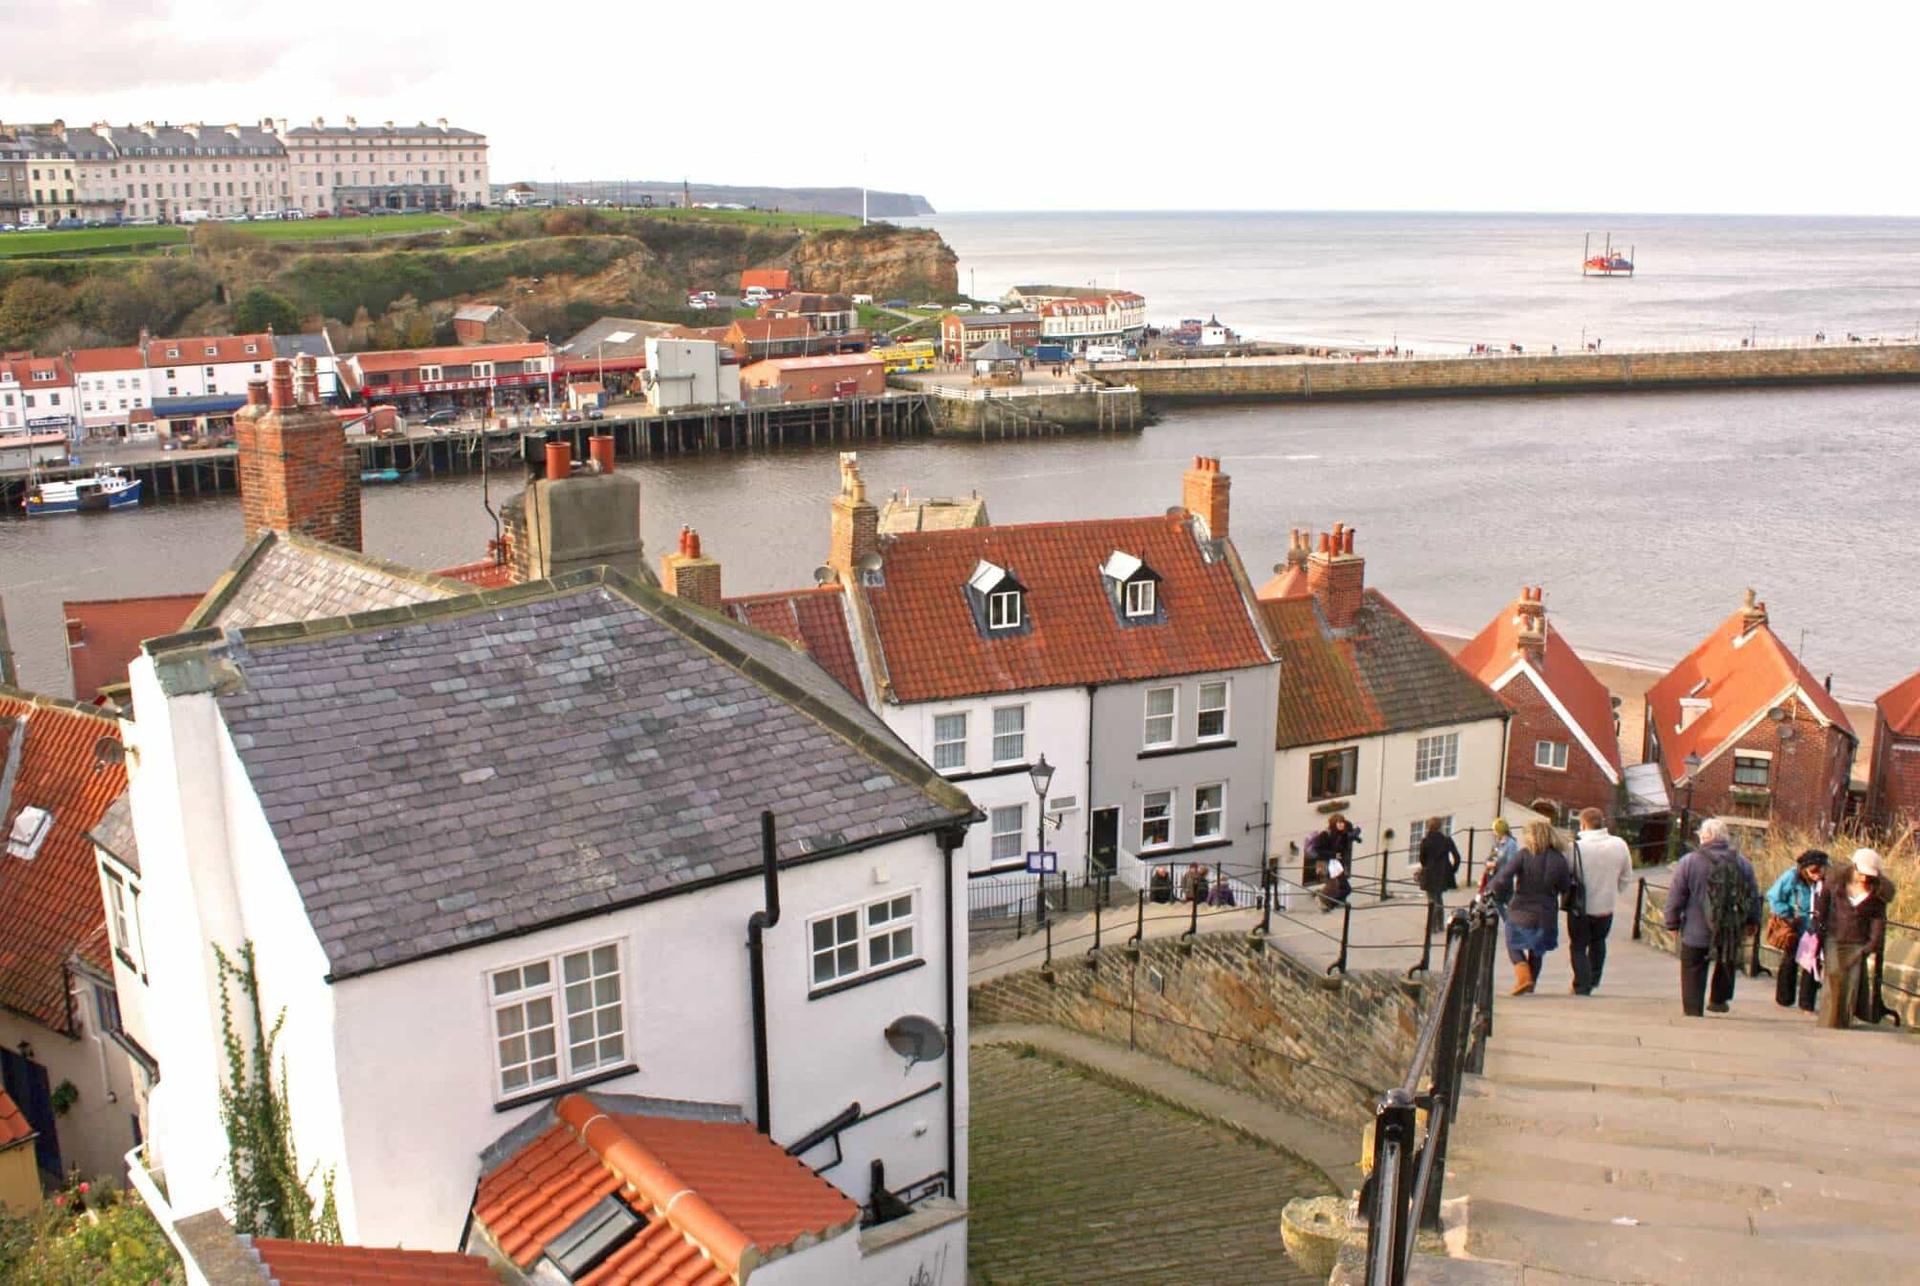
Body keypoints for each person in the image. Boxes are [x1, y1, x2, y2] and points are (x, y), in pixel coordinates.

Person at [1662, 818, 1762, 1017]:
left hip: (1696, 928)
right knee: (1726, 960)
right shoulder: (1742, 863)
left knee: (1693, 967)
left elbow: (1676, 895)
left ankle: (1693, 1008)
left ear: (1703, 837)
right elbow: (1752, 895)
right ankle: (1718, 1000)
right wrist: (1753, 921)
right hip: (1729, 928)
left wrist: (1671, 922)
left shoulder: (1689, 861)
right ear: (1725, 838)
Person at [1489, 819, 1572, 994]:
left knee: (1513, 943)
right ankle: (1530, 983)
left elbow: (1504, 877)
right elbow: (1565, 886)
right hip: (1546, 911)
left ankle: (1523, 976)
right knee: (1537, 950)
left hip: (1521, 908)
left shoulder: (1524, 855)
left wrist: (1489, 891)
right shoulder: (1559, 859)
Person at [1816, 849, 1887, 1030]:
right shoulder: (1836, 883)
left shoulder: (1878, 895)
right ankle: (1829, 1021)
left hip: (1858, 941)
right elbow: (1822, 904)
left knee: (1851, 983)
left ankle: (1844, 1020)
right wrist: (1819, 926)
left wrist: (1871, 944)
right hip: (1834, 936)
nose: (1865, 878)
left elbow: (1878, 921)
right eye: (1863, 873)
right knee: (1833, 976)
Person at [1568, 807, 1634, 994]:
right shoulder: (1619, 844)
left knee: (1578, 945)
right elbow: (1627, 874)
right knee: (1598, 942)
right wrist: (1614, 890)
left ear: (1583, 824)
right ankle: (1594, 978)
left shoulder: (1576, 847)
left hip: (1580, 905)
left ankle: (1582, 983)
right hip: (1606, 904)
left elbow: (1567, 873)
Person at [1765, 849, 1828, 1012]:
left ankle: (1807, 1003)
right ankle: (1784, 998)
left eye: (1821, 870)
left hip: (1816, 928)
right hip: (1796, 926)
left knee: (1812, 965)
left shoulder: (1827, 882)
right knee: (1789, 961)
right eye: (1813, 871)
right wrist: (1788, 913)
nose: (1817, 875)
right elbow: (1773, 897)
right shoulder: (1791, 877)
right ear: (1804, 869)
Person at [1415, 817, 1461, 938]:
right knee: (1439, 898)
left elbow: (1422, 859)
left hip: (1430, 873)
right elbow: (1457, 857)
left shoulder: (1425, 841)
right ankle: (1439, 925)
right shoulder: (1446, 840)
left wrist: (1426, 867)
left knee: (1432, 899)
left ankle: (1433, 926)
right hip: (1443, 873)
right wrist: (1452, 870)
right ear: (1440, 827)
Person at [1479, 818, 1518, 899]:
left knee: (1502, 904)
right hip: (1492, 877)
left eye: (1494, 830)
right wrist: (1487, 863)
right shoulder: (1497, 843)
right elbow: (1490, 857)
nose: (1494, 833)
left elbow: (1511, 863)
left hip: (1503, 880)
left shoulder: (1511, 844)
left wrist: (1497, 864)